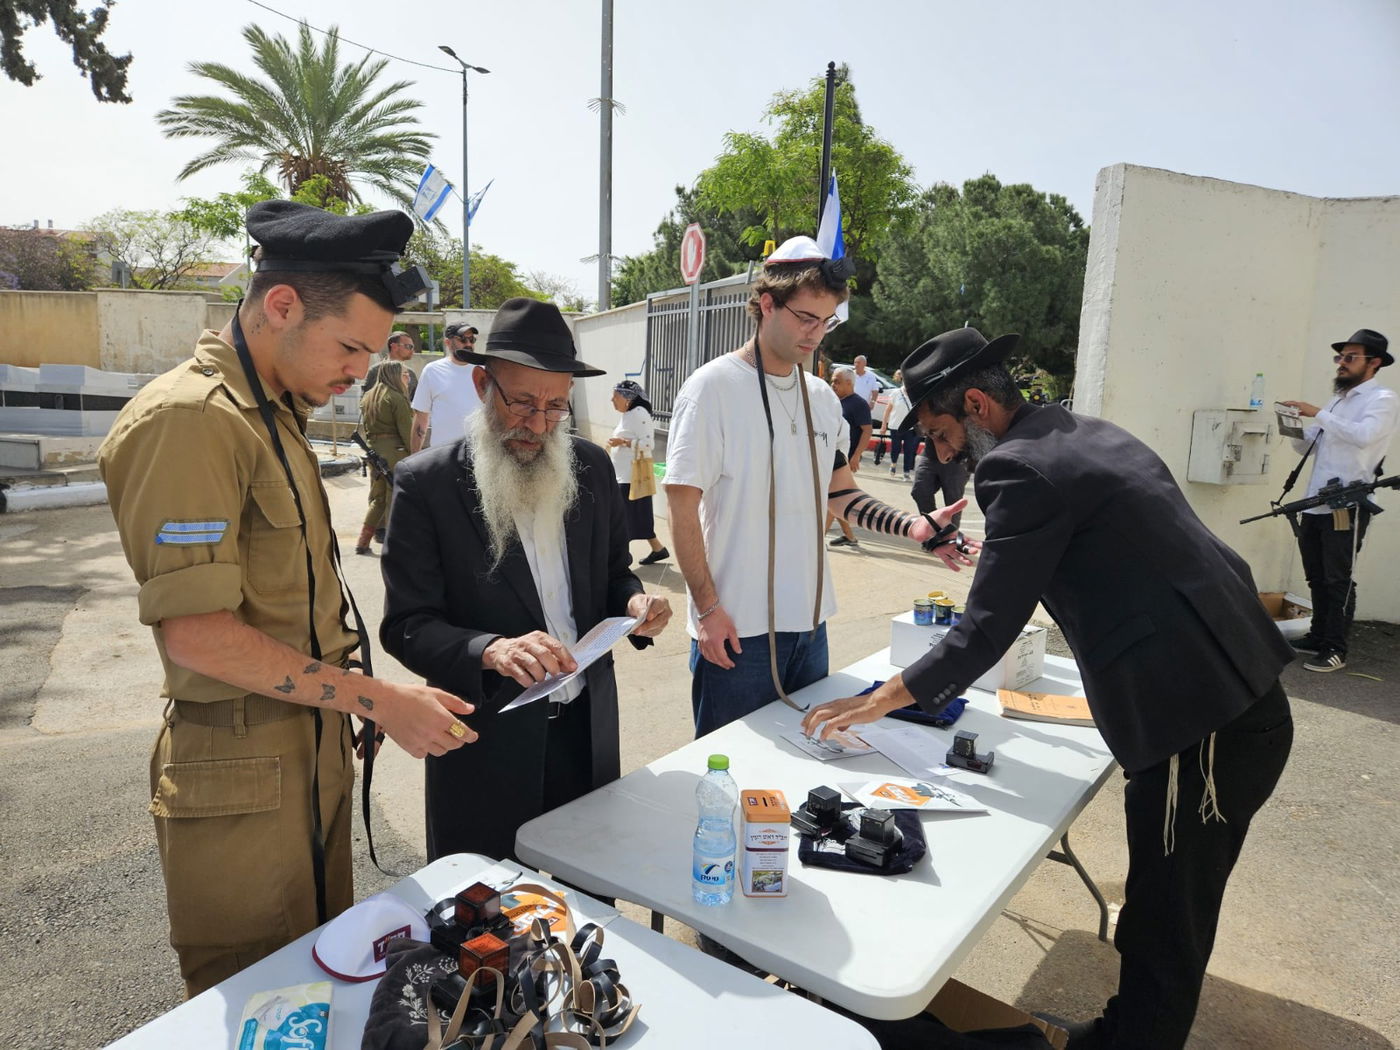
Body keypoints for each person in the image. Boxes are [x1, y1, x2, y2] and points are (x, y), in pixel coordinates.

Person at [802, 326, 1295, 1050]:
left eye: (939, 433)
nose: (938, 453)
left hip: (1202, 727)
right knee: (1172, 907)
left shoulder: (1018, 470)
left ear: (976, 405)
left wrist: (879, 698)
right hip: (1238, 698)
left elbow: (987, 628)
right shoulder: (1088, 433)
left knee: (1166, 924)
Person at [96, 200, 476, 998]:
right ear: (280, 306)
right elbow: (197, 635)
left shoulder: (275, 416)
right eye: (349, 347)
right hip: (237, 780)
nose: (358, 371)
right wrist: (375, 698)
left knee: (319, 992)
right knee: (258, 1001)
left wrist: (353, 706)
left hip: (307, 751)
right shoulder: (192, 421)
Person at [380, 298, 673, 863]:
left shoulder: (588, 468)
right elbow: (407, 626)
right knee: (489, 922)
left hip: (586, 732)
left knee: (587, 912)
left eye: (556, 406)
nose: (538, 425)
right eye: (522, 403)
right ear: (482, 384)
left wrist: (636, 602)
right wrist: (490, 649)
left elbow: (614, 573)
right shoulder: (427, 485)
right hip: (487, 746)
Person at [664, 237, 972, 737]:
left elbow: (840, 492)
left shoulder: (822, 397)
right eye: (806, 318)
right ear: (767, 304)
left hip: (810, 626)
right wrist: (707, 609)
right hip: (736, 629)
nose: (816, 334)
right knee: (731, 772)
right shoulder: (711, 388)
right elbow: (682, 506)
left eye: (827, 321)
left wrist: (912, 526)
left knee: (805, 768)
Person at [1280, 328, 1397, 673]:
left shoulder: (1382, 399)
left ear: (1374, 363)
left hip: (1346, 504)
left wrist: (1318, 412)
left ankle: (1335, 648)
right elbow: (1310, 445)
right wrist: (1291, 427)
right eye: (1340, 357)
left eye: (1350, 357)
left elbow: (1364, 436)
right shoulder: (1337, 402)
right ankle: (1318, 636)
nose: (1341, 364)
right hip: (1315, 501)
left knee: (1338, 577)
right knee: (1316, 574)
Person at [606, 379, 669, 565]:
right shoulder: (628, 414)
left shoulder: (639, 414)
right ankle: (658, 549)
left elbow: (649, 445)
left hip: (632, 476)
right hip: (623, 475)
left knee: (622, 518)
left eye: (615, 396)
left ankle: (620, 558)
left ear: (627, 398)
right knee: (636, 516)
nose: (612, 400)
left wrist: (622, 443)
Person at [356, 359, 414, 555]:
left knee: (378, 498)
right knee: (393, 499)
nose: (407, 379)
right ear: (394, 375)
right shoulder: (396, 397)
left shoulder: (369, 397)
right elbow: (407, 432)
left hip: (374, 452)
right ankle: (394, 546)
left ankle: (362, 542)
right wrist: (416, 455)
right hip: (395, 453)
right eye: (404, 375)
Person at [410, 322, 480, 452]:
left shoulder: (484, 371)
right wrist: (414, 458)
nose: (468, 344)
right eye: (463, 340)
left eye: (472, 339)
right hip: (442, 455)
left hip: (478, 454)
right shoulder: (432, 371)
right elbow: (421, 418)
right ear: (447, 343)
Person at [827, 366, 872, 550]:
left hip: (845, 459)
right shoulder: (834, 401)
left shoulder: (858, 404)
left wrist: (856, 456)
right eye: (832, 381)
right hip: (832, 458)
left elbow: (867, 431)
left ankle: (817, 542)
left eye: (837, 381)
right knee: (835, 498)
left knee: (831, 498)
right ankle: (850, 536)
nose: (833, 384)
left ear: (849, 383)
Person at [879, 369, 917, 480]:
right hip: (895, 425)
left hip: (909, 427)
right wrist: (883, 425)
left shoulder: (914, 394)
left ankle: (906, 472)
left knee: (909, 450)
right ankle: (893, 464)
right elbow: (888, 410)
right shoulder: (896, 393)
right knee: (895, 448)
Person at [364, 330, 418, 399]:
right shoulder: (376, 371)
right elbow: (367, 399)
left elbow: (416, 402)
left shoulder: (411, 373)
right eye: (408, 346)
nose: (412, 350)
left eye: (413, 347)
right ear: (394, 346)